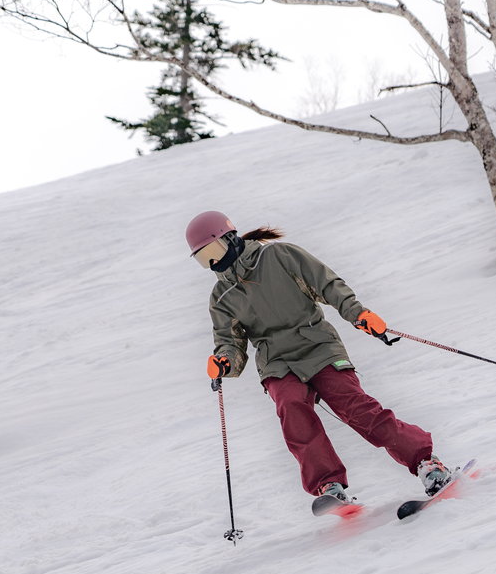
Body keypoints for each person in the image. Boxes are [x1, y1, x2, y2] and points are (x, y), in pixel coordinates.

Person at [186, 211, 451, 514]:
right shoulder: (221, 297)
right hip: (276, 362)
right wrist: (224, 362)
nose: (212, 262)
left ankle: (426, 463)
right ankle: (330, 486)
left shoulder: (279, 257)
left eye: (213, 251)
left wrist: (358, 314)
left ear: (230, 238)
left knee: (357, 408)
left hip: (318, 346)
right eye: (203, 258)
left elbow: (327, 284)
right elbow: (230, 342)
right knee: (292, 411)